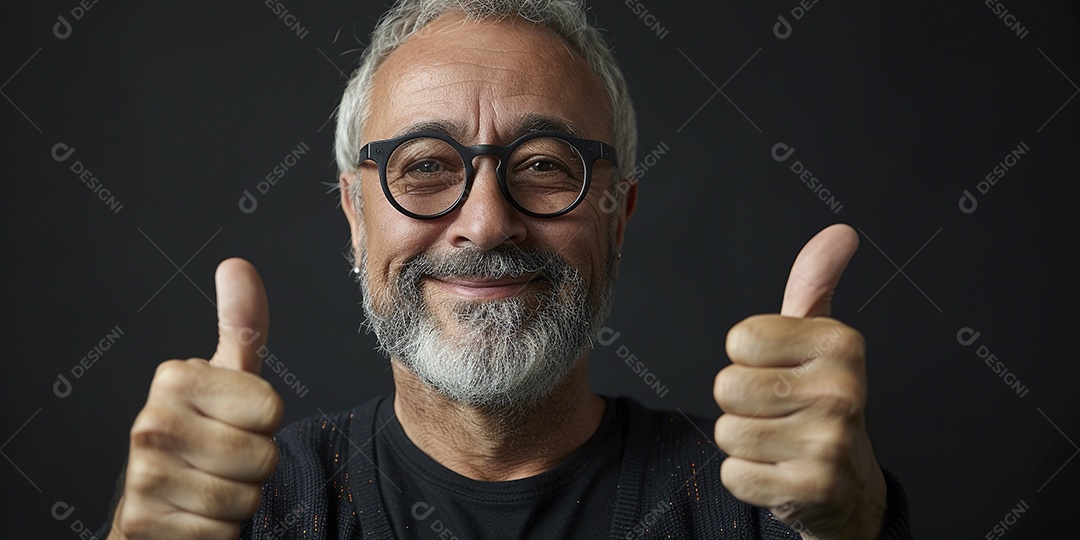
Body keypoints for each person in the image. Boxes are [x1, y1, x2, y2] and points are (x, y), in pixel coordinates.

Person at [100, 1, 911, 538]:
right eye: (425, 166)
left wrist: (858, 528)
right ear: (354, 212)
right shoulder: (246, 503)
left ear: (618, 215)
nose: (487, 222)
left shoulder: (769, 501)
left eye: (546, 165)